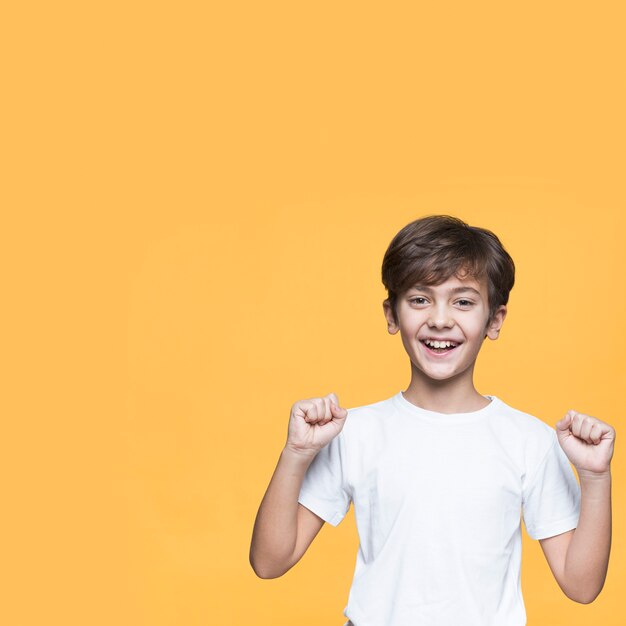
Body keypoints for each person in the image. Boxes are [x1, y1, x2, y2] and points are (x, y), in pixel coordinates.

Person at [249, 214, 615, 626]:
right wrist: (296, 453)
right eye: (420, 299)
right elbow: (269, 561)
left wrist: (596, 478)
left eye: (463, 301)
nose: (440, 319)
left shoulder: (529, 439)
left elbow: (582, 587)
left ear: (494, 320)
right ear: (391, 315)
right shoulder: (355, 433)